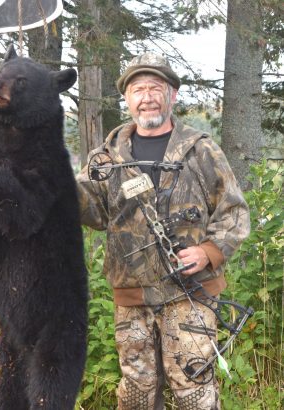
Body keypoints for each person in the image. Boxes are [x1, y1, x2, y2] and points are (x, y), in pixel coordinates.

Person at [76, 53, 250, 409]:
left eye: (156, 87)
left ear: (172, 95)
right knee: (137, 392)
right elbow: (90, 211)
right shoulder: (106, 158)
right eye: (138, 89)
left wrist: (208, 252)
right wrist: (51, 181)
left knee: (194, 391)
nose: (147, 96)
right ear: (127, 98)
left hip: (191, 294)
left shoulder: (201, 150)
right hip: (132, 298)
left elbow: (234, 211)